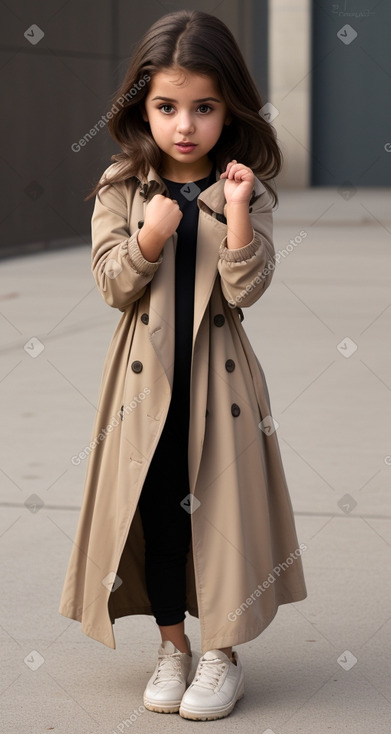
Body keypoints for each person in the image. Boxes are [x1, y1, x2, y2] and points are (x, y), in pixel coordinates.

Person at [59, 9, 307, 722]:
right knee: (158, 513)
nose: (185, 125)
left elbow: (247, 288)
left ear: (228, 107)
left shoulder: (244, 185)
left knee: (219, 521)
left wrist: (231, 212)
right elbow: (112, 285)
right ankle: (173, 646)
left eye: (203, 107)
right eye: (167, 107)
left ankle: (222, 655)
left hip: (217, 382)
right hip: (143, 389)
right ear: (143, 105)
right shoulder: (123, 183)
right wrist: (149, 235)